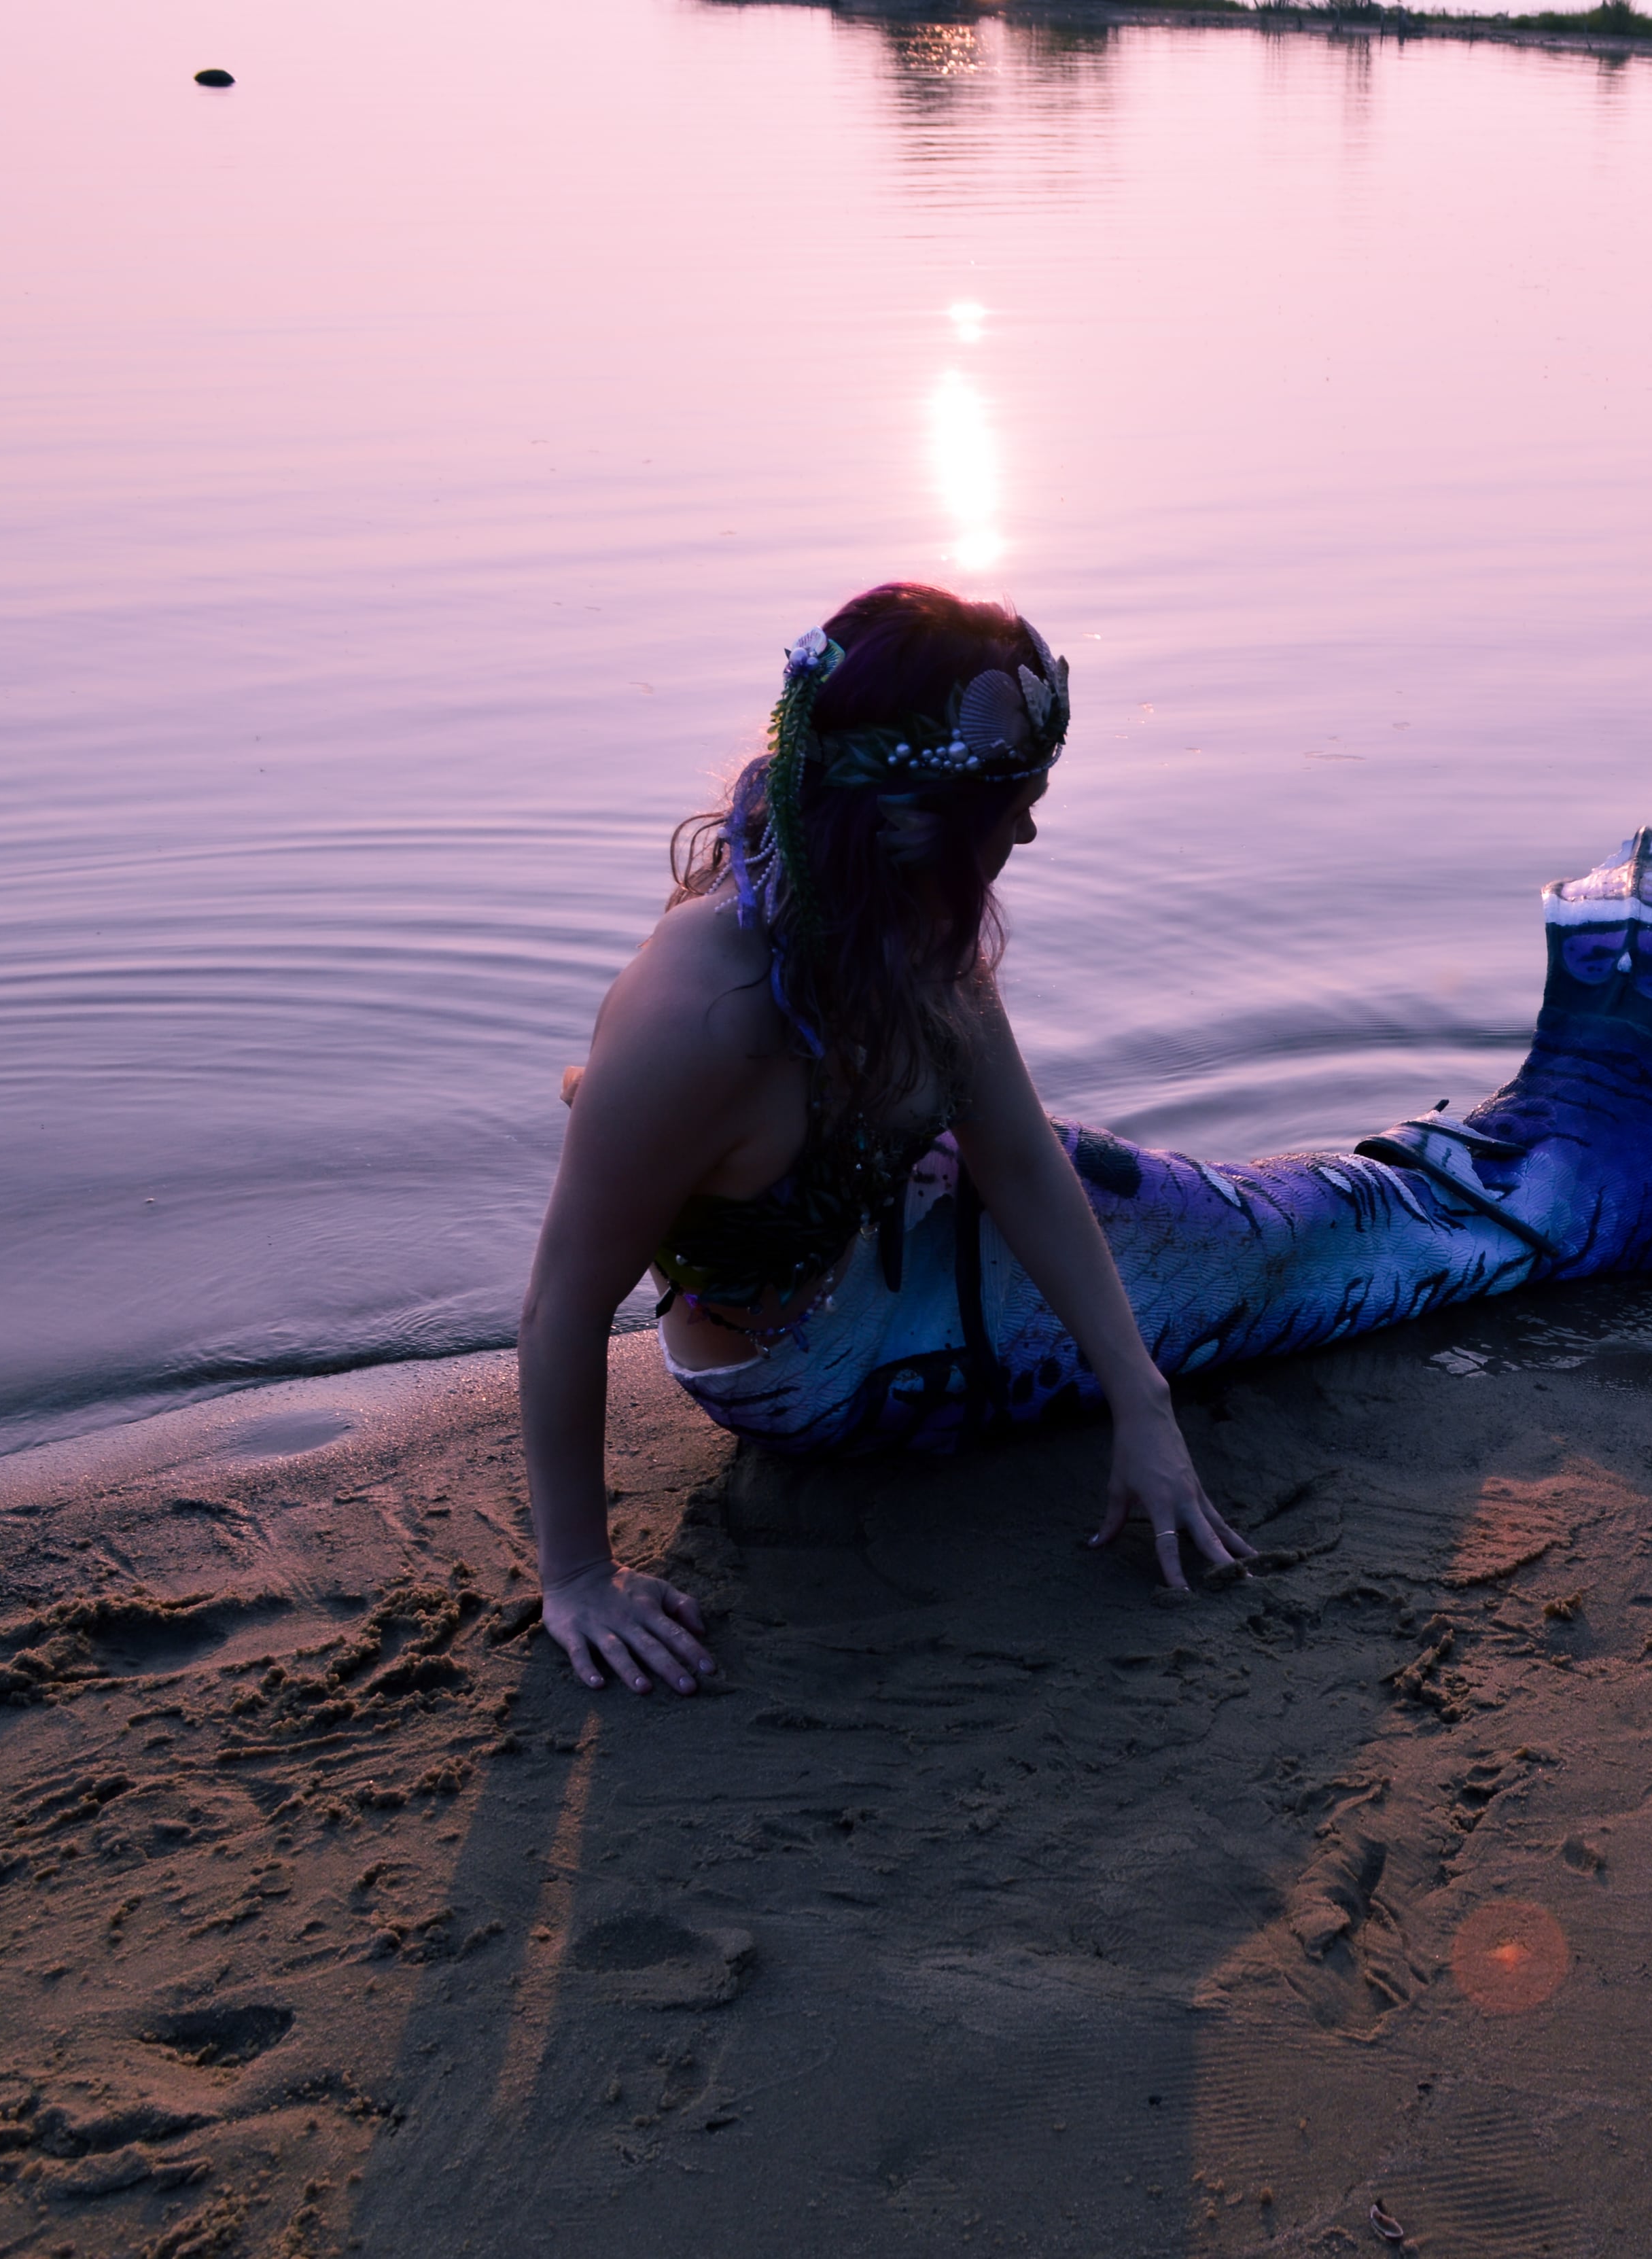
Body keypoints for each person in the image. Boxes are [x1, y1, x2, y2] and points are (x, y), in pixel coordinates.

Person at [516, 584, 1256, 1696]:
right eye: (1018, 806)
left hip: (898, 1244)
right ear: (917, 825)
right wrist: (576, 1574)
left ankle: (1424, 1183)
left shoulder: (904, 928)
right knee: (1250, 1260)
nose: (1033, 829)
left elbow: (1018, 1159)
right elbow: (562, 1306)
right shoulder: (700, 1015)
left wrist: (1140, 1402)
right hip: (808, 1367)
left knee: (1190, 1212)